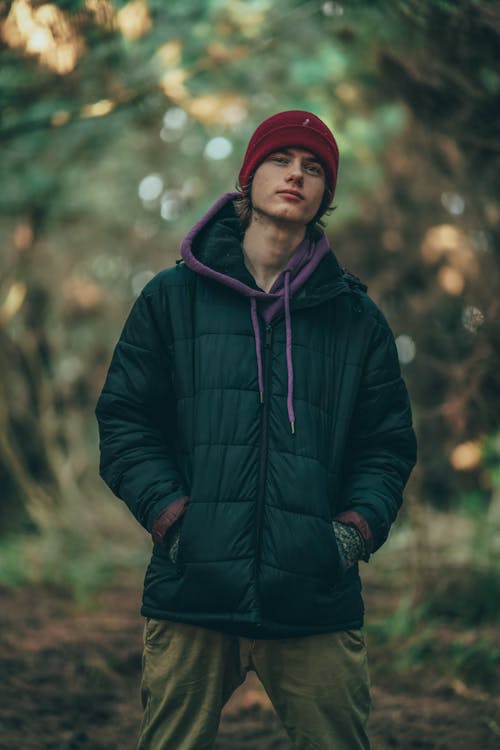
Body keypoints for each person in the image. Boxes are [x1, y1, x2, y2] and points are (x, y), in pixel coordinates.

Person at [96, 110, 417, 750]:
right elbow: (126, 421)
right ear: (249, 176)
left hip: (314, 600)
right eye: (281, 159)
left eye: (314, 167)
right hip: (193, 592)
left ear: (326, 193)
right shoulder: (170, 299)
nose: (296, 174)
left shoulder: (356, 318)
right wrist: (175, 520)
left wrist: (349, 537)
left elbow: (386, 445)